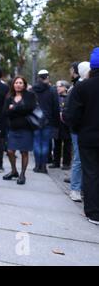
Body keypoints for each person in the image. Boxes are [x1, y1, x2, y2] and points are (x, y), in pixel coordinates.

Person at [64, 48, 99, 225]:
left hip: (88, 137)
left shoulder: (82, 87)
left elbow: (72, 115)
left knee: (91, 173)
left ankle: (93, 213)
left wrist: (77, 129)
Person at [63, 61, 91, 202]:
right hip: (78, 129)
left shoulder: (83, 85)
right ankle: (75, 189)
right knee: (79, 159)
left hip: (84, 128)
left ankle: (81, 188)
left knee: (83, 160)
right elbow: (70, 111)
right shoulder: (78, 87)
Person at [2, 76, 37, 184]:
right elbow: (5, 112)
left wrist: (14, 108)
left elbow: (30, 108)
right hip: (13, 128)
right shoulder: (9, 97)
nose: (18, 84)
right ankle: (14, 171)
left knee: (24, 152)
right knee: (10, 151)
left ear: (24, 85)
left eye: (20, 83)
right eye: (16, 82)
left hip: (26, 128)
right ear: (13, 84)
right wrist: (17, 110)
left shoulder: (30, 95)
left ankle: (22, 174)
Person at [32, 70, 59, 173]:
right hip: (48, 120)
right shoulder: (52, 90)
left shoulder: (33, 90)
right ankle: (43, 166)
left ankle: (37, 165)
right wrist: (56, 123)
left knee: (36, 143)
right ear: (47, 77)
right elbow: (56, 107)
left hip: (35, 119)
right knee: (45, 144)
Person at [50, 80, 72, 170]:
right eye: (57, 86)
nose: (57, 88)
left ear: (65, 87)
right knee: (56, 143)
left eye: (60, 86)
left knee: (67, 144)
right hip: (57, 124)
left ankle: (66, 163)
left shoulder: (70, 98)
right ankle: (56, 162)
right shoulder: (55, 97)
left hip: (66, 124)